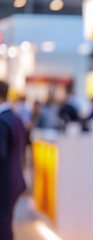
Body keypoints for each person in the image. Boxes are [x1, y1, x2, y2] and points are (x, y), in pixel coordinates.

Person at [0, 81, 26, 240]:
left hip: (4, 183)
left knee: (2, 226)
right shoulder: (15, 117)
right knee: (5, 223)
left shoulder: (2, 121)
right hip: (14, 179)